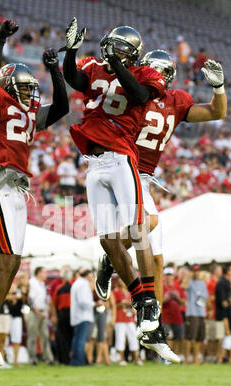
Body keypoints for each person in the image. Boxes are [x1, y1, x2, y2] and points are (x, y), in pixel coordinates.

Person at [96, 49, 227, 361]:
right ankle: (111, 256)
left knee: (156, 259)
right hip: (121, 168)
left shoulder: (176, 100)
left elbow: (216, 112)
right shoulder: (133, 93)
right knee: (149, 224)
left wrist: (219, 88)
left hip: (143, 177)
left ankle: (150, 325)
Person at [0, 20, 69, 366]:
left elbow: (62, 108)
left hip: (19, 188)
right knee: (6, 260)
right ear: (8, 85)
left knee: (13, 262)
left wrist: (55, 72)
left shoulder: (25, 112)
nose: (28, 94)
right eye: (22, 87)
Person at [63, 18, 167, 340]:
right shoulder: (96, 67)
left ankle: (150, 299)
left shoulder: (145, 74)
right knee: (108, 241)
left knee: (137, 228)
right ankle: (138, 297)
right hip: (94, 165)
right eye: (113, 46)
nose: (115, 51)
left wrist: (116, 66)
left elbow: (137, 96)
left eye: (122, 49)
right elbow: (74, 78)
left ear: (133, 54)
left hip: (121, 158)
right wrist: (70, 51)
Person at [27, 267, 54, 365]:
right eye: (44, 272)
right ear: (39, 273)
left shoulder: (42, 284)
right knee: (32, 336)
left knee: (45, 336)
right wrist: (37, 311)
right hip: (34, 312)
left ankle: (48, 358)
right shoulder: (32, 283)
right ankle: (32, 359)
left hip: (42, 312)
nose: (46, 274)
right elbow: (30, 299)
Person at [113, 278, 143, 366]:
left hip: (130, 317)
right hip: (120, 318)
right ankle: (121, 359)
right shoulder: (116, 292)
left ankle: (136, 358)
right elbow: (113, 305)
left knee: (133, 337)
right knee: (120, 338)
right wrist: (121, 304)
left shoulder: (130, 292)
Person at [182, 266, 209, 364]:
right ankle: (186, 359)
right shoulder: (189, 282)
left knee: (199, 337)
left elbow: (206, 297)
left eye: (197, 271)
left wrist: (208, 309)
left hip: (201, 313)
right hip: (192, 313)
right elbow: (183, 287)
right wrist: (188, 277)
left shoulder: (202, 283)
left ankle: (195, 359)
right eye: (194, 271)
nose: (196, 273)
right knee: (189, 337)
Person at [70, 269, 95, 366]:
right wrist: (94, 304)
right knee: (81, 340)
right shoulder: (83, 284)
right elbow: (83, 301)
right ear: (88, 275)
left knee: (77, 339)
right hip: (83, 316)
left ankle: (76, 360)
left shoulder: (77, 283)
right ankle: (79, 361)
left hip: (78, 316)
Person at [161, 267, 186, 359]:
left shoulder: (178, 287)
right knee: (169, 337)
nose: (169, 277)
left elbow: (183, 302)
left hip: (177, 316)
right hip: (166, 316)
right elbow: (157, 302)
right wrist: (165, 299)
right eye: (167, 275)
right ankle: (168, 357)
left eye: (170, 275)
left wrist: (177, 297)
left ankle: (176, 355)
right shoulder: (161, 287)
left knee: (179, 338)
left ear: (173, 276)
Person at [51, 266, 74, 365]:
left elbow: (53, 303)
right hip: (71, 313)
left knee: (62, 337)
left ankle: (63, 359)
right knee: (70, 336)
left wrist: (54, 316)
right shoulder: (73, 286)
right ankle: (67, 358)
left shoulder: (59, 288)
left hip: (62, 314)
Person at [215, 265, 231, 363]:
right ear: (227, 272)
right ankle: (219, 359)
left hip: (227, 315)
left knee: (226, 338)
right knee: (221, 338)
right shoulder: (222, 283)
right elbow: (224, 301)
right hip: (222, 315)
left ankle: (224, 358)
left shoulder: (227, 283)